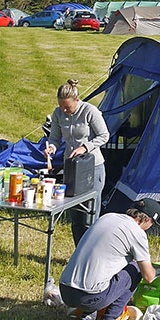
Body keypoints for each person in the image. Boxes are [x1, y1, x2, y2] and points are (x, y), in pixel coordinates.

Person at [58, 198, 160, 320]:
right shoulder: (137, 232)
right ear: (147, 220)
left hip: (65, 291)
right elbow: (148, 277)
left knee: (108, 266)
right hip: (88, 297)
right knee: (136, 268)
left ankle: (87, 316)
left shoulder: (107, 217)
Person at [44, 79, 109, 245]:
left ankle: (91, 254)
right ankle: (77, 253)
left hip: (92, 168)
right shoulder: (58, 114)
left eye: (68, 107)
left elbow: (104, 135)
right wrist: (51, 147)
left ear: (77, 101)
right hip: (71, 168)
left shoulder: (90, 111)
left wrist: (85, 147)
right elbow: (55, 137)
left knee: (90, 217)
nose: (64, 110)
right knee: (76, 215)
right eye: (61, 106)